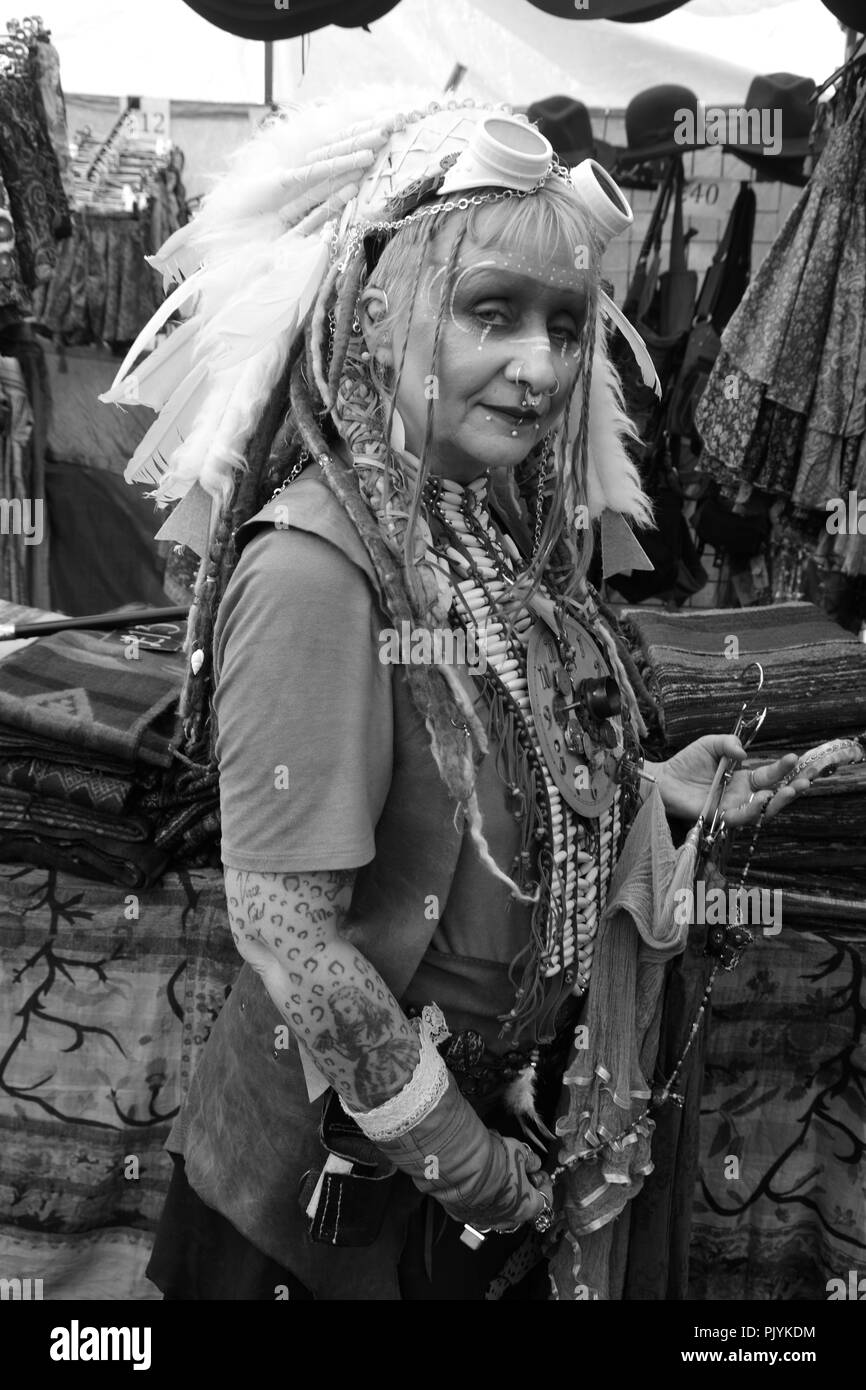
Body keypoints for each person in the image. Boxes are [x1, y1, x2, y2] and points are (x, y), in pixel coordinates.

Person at [106, 91, 811, 1301]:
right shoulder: (320, 571)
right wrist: (469, 1165)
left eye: (564, 323)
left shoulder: (478, 528)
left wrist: (647, 789)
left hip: (462, 1164)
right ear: (381, 312)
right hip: (326, 1219)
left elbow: (491, 775)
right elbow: (288, 933)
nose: (539, 367)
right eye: (492, 313)